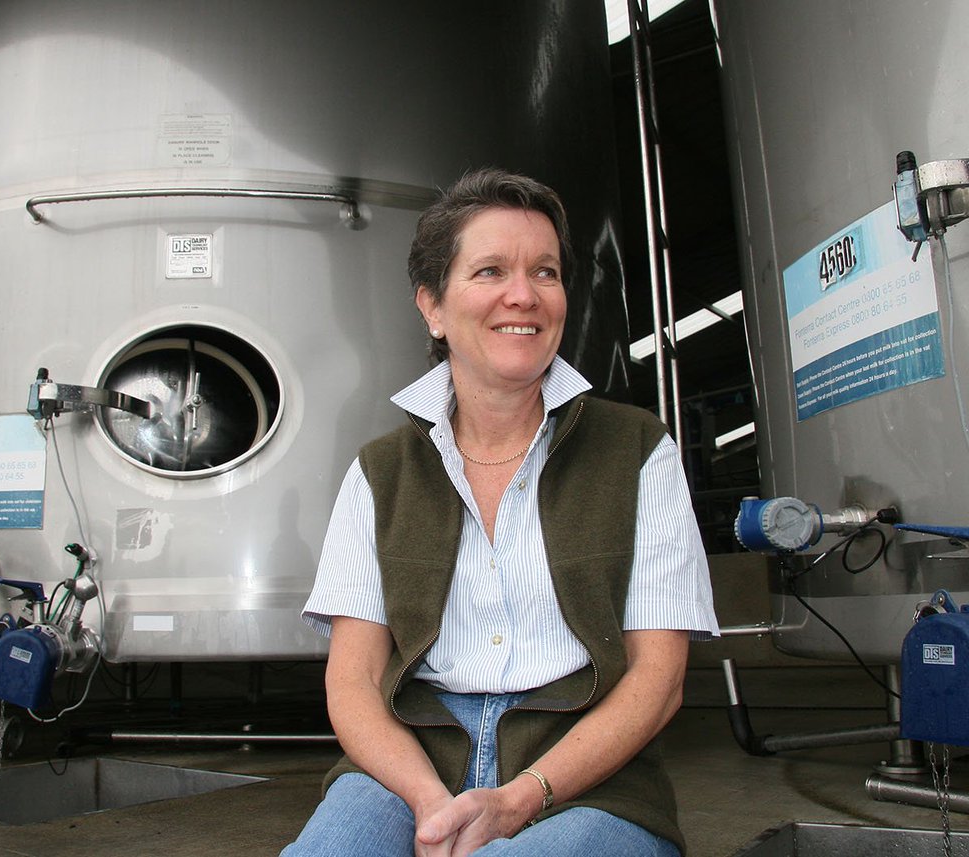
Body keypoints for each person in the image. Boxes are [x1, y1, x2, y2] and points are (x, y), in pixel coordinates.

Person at [282, 168, 719, 857]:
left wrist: (521, 798)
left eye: (545, 272)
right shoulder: (380, 472)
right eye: (490, 270)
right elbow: (355, 681)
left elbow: (657, 680)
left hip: (585, 775)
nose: (524, 294)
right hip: (408, 765)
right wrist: (429, 802)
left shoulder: (638, 452)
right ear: (432, 305)